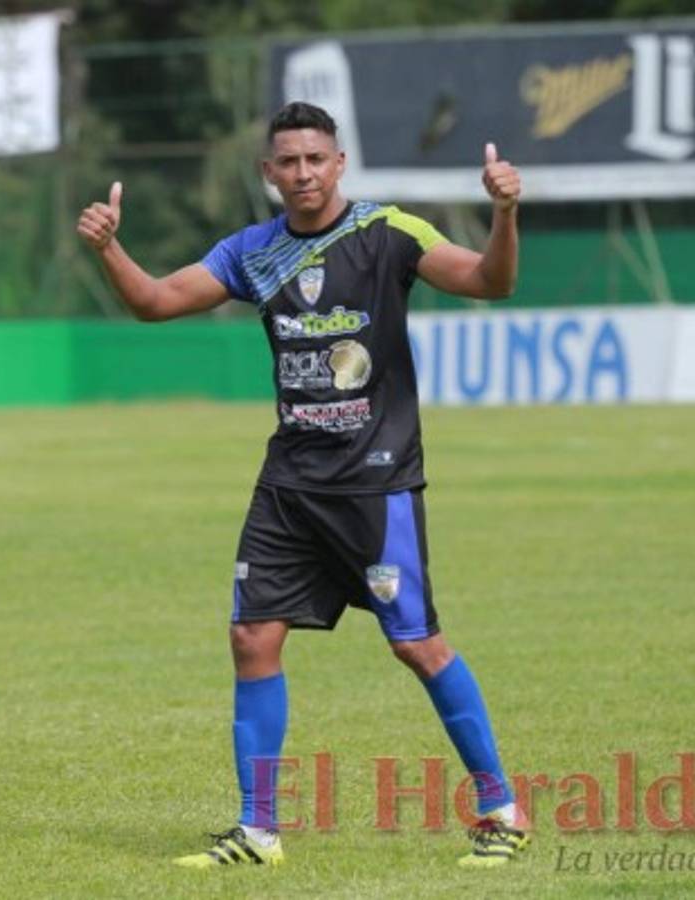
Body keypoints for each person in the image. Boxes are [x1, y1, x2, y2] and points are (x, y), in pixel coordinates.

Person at [77, 101, 525, 869]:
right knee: (252, 637)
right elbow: (152, 303)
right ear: (268, 172)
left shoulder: (388, 233)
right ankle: (257, 832)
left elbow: (488, 281)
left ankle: (501, 809)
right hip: (289, 483)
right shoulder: (252, 252)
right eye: (287, 162)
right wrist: (110, 250)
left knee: (417, 645)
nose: (302, 173)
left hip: (374, 483)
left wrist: (504, 212)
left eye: (315, 159)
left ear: (339, 163)